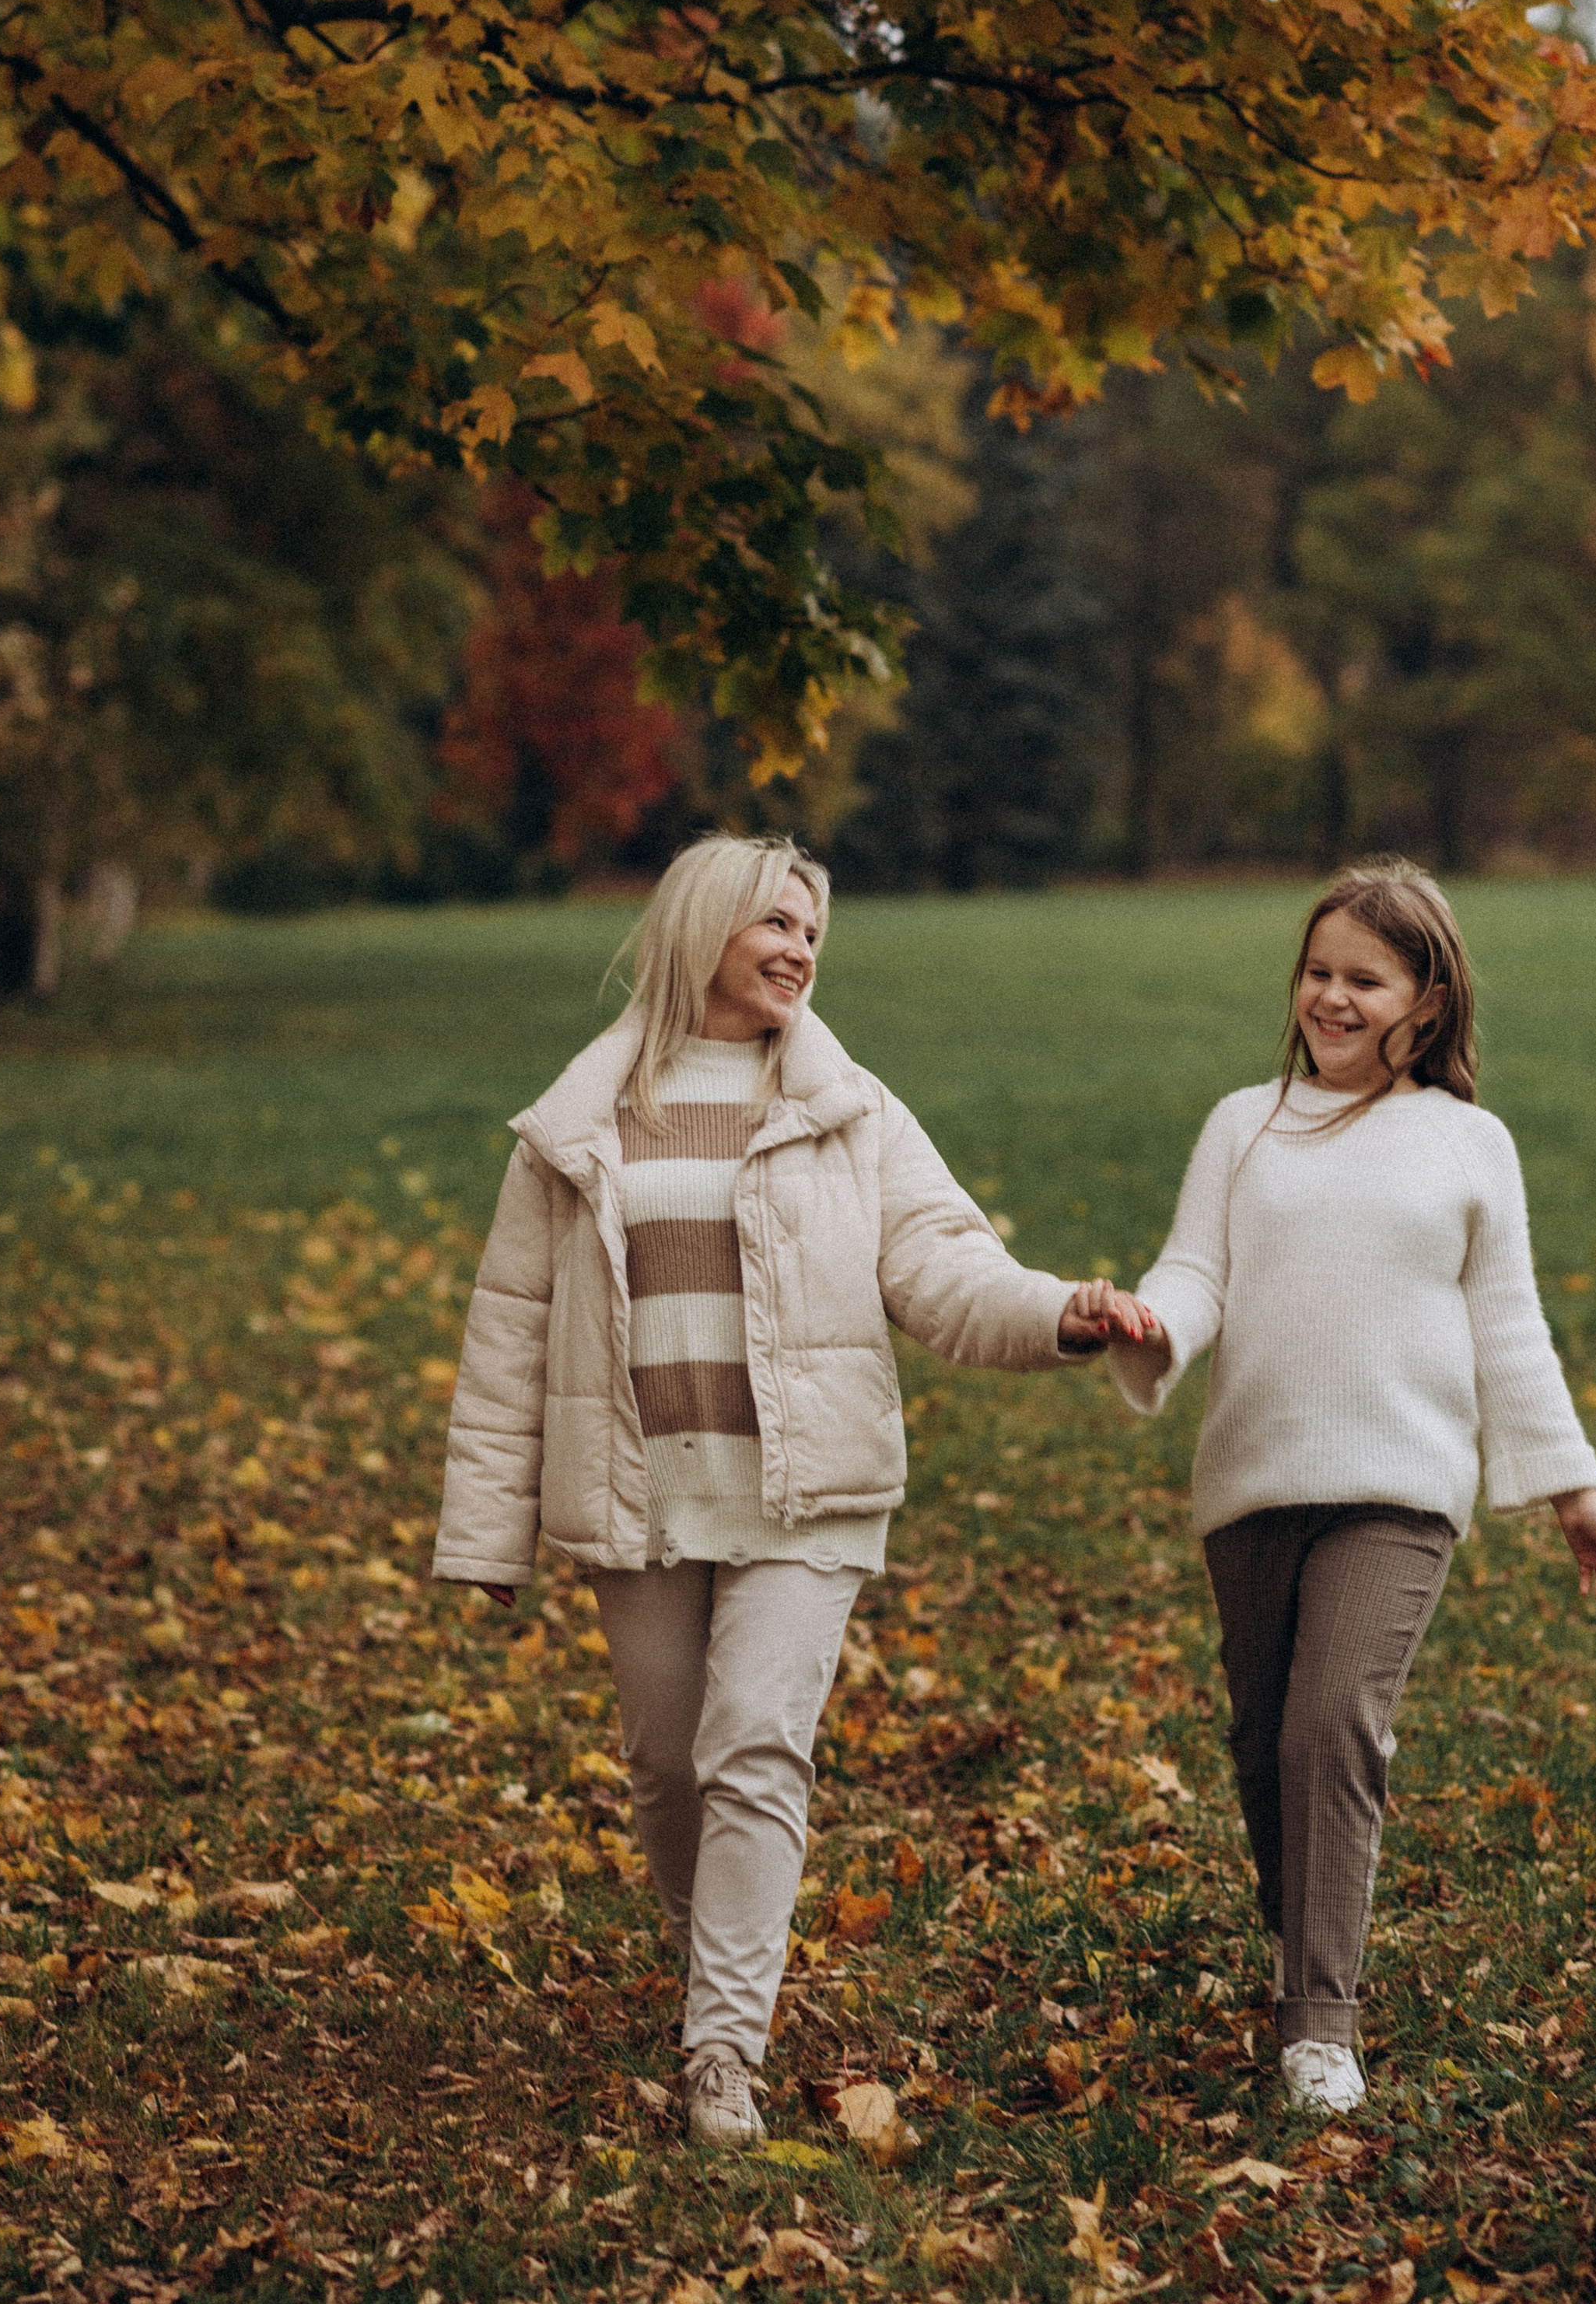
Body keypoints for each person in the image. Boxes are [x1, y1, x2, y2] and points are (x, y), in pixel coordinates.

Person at [433, 832, 1146, 2145]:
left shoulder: (850, 1107)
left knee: (754, 1742)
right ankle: (716, 1955)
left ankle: (723, 2053)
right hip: (642, 1494)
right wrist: (486, 1539)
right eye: (776, 923)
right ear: (700, 928)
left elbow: (943, 1266)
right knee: (666, 1769)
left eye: (814, 932)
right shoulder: (577, 1123)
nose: (801, 950)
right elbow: (510, 1330)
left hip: (807, 1491)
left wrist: (1060, 1314)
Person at [1105, 860, 1596, 2119]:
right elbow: (1196, 1275)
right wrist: (1147, 1327)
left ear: (1429, 1002)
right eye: (1318, 972)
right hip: (1253, 1480)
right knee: (1261, 1746)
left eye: (1365, 979)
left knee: (1330, 1720)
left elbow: (1509, 1327)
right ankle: (1306, 1937)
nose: (1331, 999)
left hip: (1400, 1486)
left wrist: (1574, 1493)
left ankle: (1320, 2023)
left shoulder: (1468, 1143)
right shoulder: (1246, 1124)